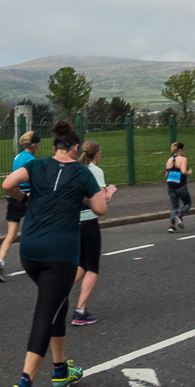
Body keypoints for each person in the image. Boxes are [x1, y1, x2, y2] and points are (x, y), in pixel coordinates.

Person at [3, 120, 106, 387]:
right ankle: (25, 381)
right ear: (74, 148)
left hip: (30, 251)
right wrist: (84, 196)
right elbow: (100, 208)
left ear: (54, 147)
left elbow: (7, 184)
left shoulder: (36, 165)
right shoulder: (83, 173)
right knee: (46, 313)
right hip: (59, 255)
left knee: (58, 304)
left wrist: (25, 199)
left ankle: (60, 370)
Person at [71, 140, 116, 326]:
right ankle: (80, 311)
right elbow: (101, 202)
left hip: (73, 221)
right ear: (97, 154)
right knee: (92, 268)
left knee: (81, 264)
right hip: (89, 221)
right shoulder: (96, 172)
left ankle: (55, 294)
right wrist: (111, 191)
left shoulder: (74, 169)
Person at [0, 130, 41, 282]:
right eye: (38, 145)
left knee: (11, 234)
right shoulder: (32, 160)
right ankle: (37, 261)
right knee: (34, 230)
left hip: (13, 197)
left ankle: (0, 262)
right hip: (27, 197)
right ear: (34, 145)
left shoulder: (17, 157)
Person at [165, 141, 194, 233]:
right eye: (183, 149)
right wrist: (189, 172)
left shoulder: (169, 160)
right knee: (187, 204)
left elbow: (166, 173)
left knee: (174, 206)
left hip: (170, 186)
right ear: (180, 150)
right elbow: (183, 171)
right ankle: (179, 215)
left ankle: (172, 226)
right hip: (180, 186)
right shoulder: (183, 159)